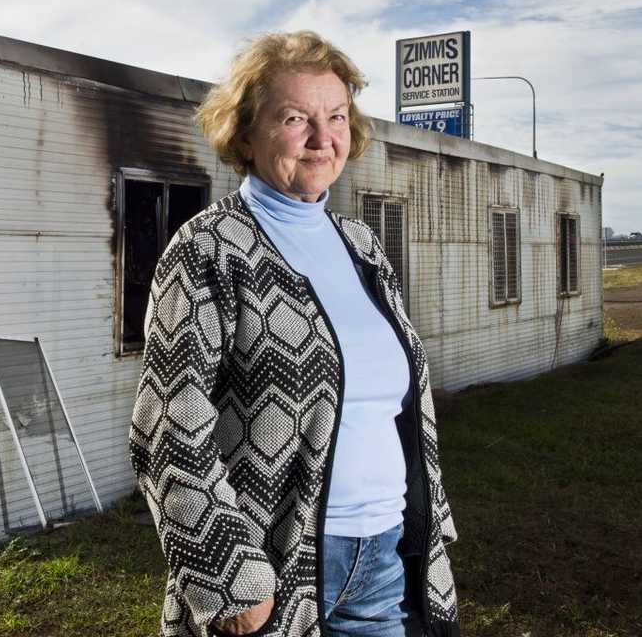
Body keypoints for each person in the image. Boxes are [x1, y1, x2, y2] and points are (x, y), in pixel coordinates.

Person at [129, 31, 460, 637]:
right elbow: (165, 427)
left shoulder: (361, 247)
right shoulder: (209, 249)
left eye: (335, 116)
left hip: (384, 555)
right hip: (276, 570)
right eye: (294, 118)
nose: (322, 137)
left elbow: (399, 403)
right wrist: (231, 583)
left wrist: (426, 519)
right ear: (247, 135)